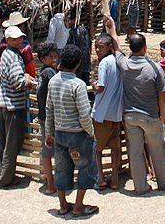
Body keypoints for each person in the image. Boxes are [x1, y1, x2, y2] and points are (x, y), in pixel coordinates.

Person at [112, 27, 165, 194]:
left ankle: (140, 187)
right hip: (150, 116)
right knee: (158, 151)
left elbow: (116, 48)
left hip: (130, 116)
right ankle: (164, 183)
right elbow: (162, 91)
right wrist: (161, 112)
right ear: (144, 48)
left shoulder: (124, 64)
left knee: (135, 153)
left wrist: (112, 27)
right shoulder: (154, 68)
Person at [44, 44, 99, 216]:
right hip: (77, 135)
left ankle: (63, 205)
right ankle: (78, 206)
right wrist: (90, 132)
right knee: (85, 167)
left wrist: (49, 133)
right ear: (78, 63)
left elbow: (49, 109)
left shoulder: (53, 81)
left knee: (61, 169)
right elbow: (84, 114)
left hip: (59, 134)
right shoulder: (78, 84)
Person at [0, 25, 35, 188]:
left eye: (20, 38)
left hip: (4, 104)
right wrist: (27, 80)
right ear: (9, 40)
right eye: (16, 38)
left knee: (3, 144)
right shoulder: (12, 56)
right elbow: (17, 82)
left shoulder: (7, 54)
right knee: (12, 144)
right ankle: (5, 179)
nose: (20, 40)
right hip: (13, 106)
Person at [90, 27, 124, 189]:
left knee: (97, 148)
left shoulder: (104, 63)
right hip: (116, 112)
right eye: (96, 46)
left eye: (101, 46)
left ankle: (101, 178)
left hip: (102, 113)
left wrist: (94, 85)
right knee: (115, 147)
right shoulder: (119, 60)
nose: (97, 49)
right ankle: (115, 179)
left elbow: (101, 87)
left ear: (110, 46)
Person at [36, 42, 59, 194]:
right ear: (43, 59)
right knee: (53, 150)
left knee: (47, 150)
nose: (54, 58)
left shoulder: (43, 72)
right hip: (51, 117)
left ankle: (51, 183)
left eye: (55, 55)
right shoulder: (49, 73)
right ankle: (52, 183)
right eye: (51, 56)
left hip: (44, 116)